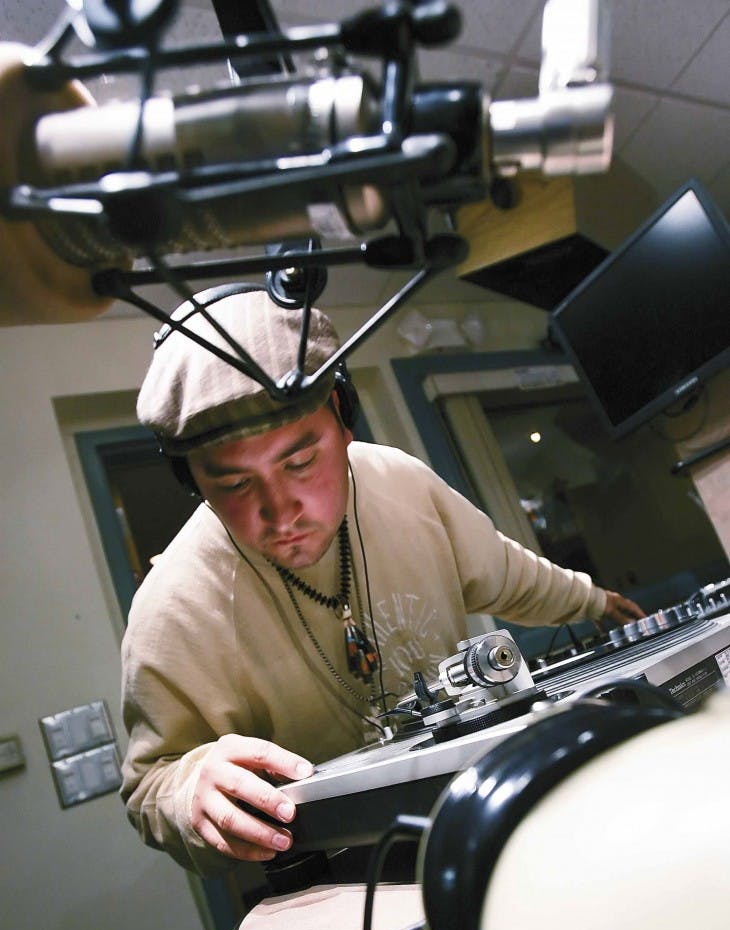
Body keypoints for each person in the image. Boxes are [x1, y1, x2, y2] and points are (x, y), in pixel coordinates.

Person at [120, 286, 644, 876]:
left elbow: (502, 569)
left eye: (300, 462)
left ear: (344, 418)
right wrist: (188, 789)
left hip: (486, 813)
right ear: (191, 480)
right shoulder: (170, 609)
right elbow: (150, 785)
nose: (281, 510)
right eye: (235, 485)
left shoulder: (401, 482)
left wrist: (593, 599)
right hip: (350, 874)